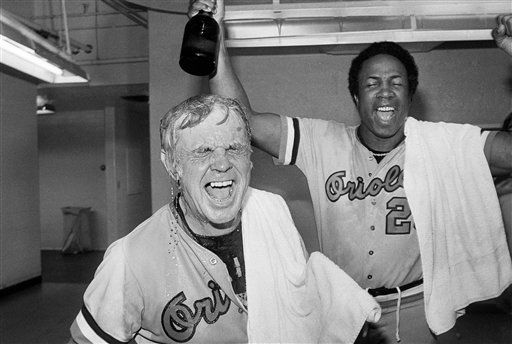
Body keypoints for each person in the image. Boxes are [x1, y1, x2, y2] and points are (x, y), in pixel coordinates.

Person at [187, 1, 512, 342]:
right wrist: (217, 45)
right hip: (342, 309)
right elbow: (244, 122)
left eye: (396, 83)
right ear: (356, 97)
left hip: (417, 310)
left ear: (411, 95)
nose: (385, 90)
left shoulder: (443, 146)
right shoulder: (320, 140)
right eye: (372, 83)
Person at [69, 94, 381, 343]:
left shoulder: (272, 212)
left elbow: (297, 305)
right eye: (202, 151)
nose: (222, 164)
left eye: (234, 148)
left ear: (250, 158)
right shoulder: (131, 259)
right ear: (172, 164)